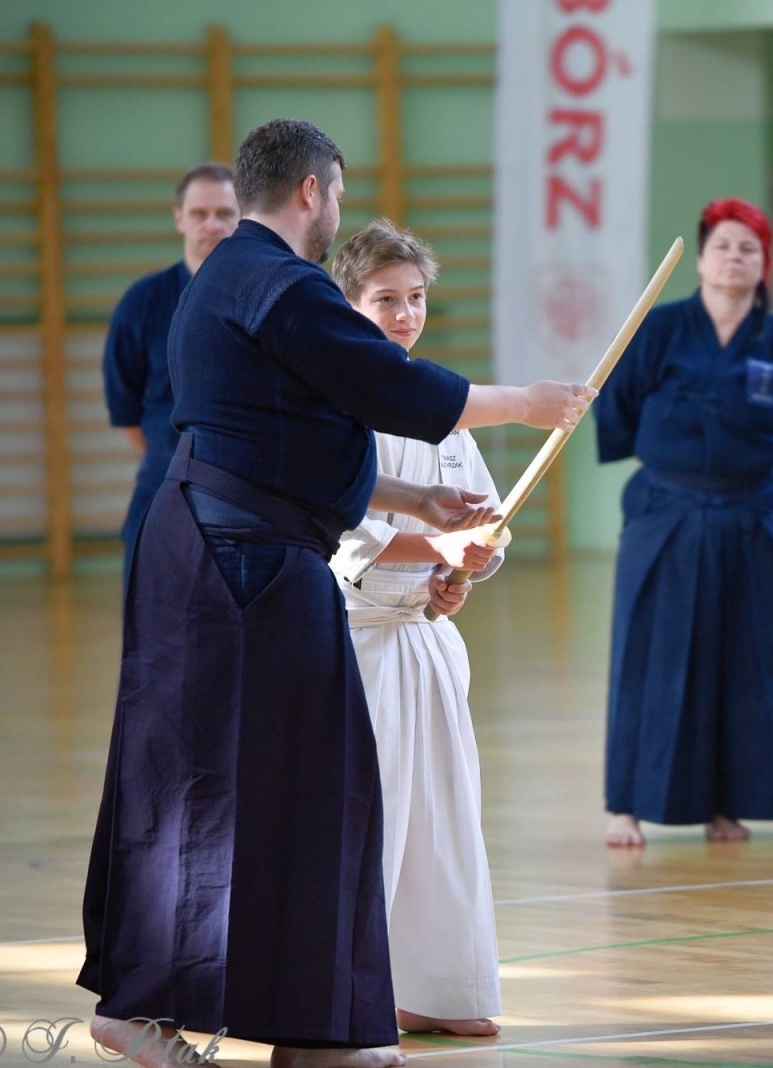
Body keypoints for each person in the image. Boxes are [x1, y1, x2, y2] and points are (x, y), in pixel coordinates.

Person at [79, 119, 594, 1068]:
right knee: (265, 790)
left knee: (274, 788)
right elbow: (384, 388)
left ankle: (294, 1026)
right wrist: (527, 400)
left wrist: (412, 495)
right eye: (340, 196)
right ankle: (165, 1010)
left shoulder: (229, 278)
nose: (338, 213)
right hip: (239, 566)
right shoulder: (276, 279)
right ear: (314, 190)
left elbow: (287, 438)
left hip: (224, 552)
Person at [597, 198, 773, 848]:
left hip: (756, 517)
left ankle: (727, 805)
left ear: (766, 265)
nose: (735, 257)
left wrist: (741, 479)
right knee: (654, 658)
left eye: (749, 249)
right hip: (667, 518)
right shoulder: (658, 329)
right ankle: (628, 805)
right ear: (700, 260)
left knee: (748, 664)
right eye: (724, 246)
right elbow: (615, 411)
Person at [327, 219, 506, 1037]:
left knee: (445, 816)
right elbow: (345, 533)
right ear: (348, 304)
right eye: (386, 301)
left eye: (416, 299)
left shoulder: (443, 399)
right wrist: (439, 544)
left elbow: (483, 520)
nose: (404, 316)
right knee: (379, 819)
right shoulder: (332, 402)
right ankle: (356, 997)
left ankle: (441, 989)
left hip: (426, 639)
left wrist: (462, 569)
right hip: (356, 643)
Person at [102, 162, 239, 573]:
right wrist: (180, 460)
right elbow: (126, 411)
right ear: (180, 218)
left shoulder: (271, 298)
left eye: (225, 214)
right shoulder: (142, 302)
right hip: (162, 486)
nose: (212, 225)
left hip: (247, 499)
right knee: (151, 626)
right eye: (200, 214)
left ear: (244, 219)